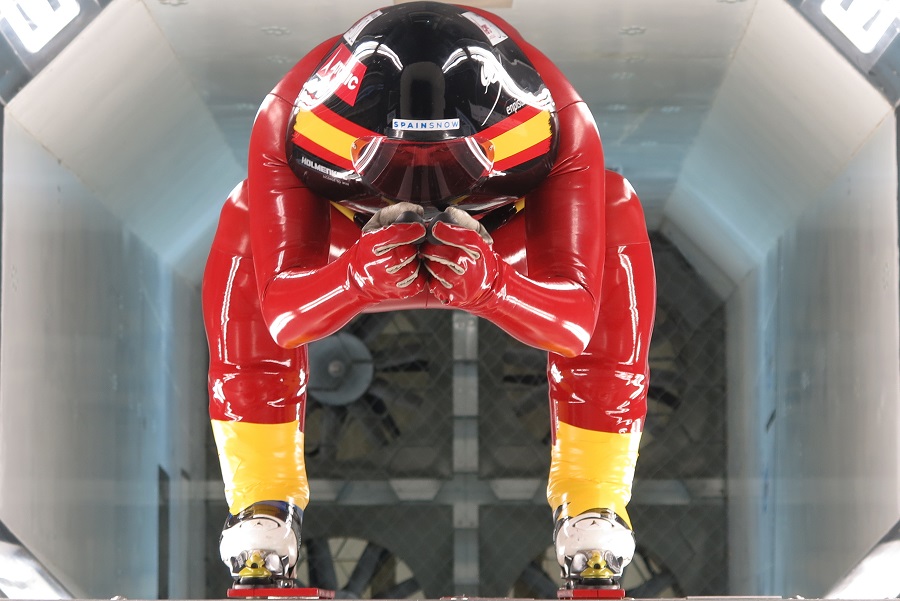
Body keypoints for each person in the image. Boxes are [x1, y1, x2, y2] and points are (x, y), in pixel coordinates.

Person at [202, 1, 656, 592]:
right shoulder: (286, 120)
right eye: (401, 170)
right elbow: (282, 317)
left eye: (445, 169)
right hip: (364, 253)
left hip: (489, 251)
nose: (424, 192)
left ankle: (594, 507)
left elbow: (575, 321)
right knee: (244, 219)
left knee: (614, 206)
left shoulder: (563, 121)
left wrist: (495, 285)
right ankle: (262, 512)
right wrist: (355, 279)